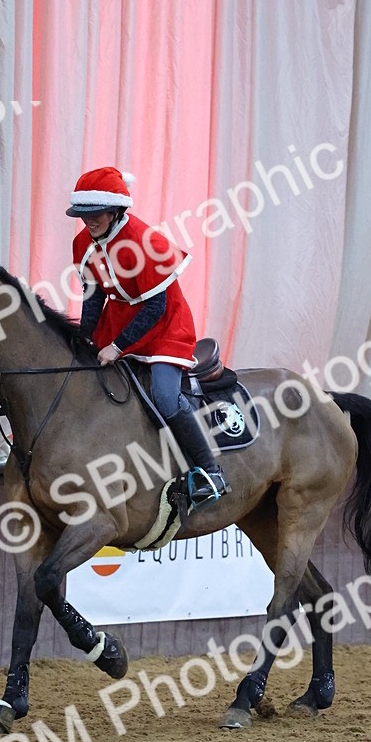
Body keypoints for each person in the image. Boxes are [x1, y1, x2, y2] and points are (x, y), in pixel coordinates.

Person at [67, 166, 228, 506]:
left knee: (165, 397)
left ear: (115, 211)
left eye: (95, 215)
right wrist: (85, 338)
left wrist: (116, 346)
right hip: (119, 319)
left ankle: (211, 472)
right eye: (83, 215)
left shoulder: (145, 241)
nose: (88, 222)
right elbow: (94, 296)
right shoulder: (83, 243)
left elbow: (155, 308)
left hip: (165, 325)